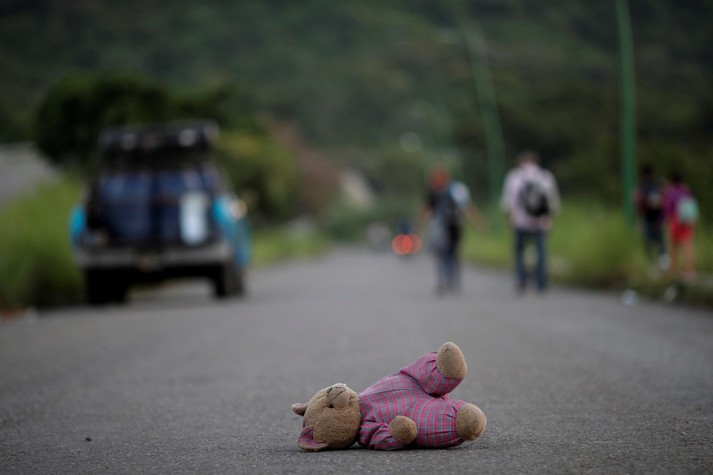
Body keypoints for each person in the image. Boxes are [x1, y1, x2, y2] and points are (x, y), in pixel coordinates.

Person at [500, 150, 560, 293]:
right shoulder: (545, 176)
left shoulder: (514, 176)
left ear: (520, 162)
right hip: (541, 221)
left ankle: (521, 278)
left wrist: (510, 218)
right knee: (540, 251)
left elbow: (509, 200)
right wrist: (551, 218)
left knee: (520, 251)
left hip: (520, 220)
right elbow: (552, 200)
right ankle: (540, 281)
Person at [419, 167, 485, 294]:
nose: (437, 182)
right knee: (440, 253)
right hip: (439, 227)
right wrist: (420, 225)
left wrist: (477, 221)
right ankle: (443, 279)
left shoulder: (456, 191)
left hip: (454, 225)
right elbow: (427, 209)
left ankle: (452, 278)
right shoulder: (432, 192)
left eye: (440, 179)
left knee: (453, 252)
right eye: (435, 180)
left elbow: (466, 207)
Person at [663, 171, 698, 280]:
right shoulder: (687, 191)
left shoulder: (671, 193)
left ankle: (673, 269)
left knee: (674, 246)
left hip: (675, 220)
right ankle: (689, 270)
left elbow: (667, 209)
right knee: (687, 246)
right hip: (687, 220)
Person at [633, 165, 668, 268]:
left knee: (648, 240)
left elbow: (637, 201)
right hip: (658, 217)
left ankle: (651, 262)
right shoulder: (657, 185)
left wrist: (638, 217)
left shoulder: (642, 186)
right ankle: (663, 261)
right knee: (660, 239)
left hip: (647, 217)